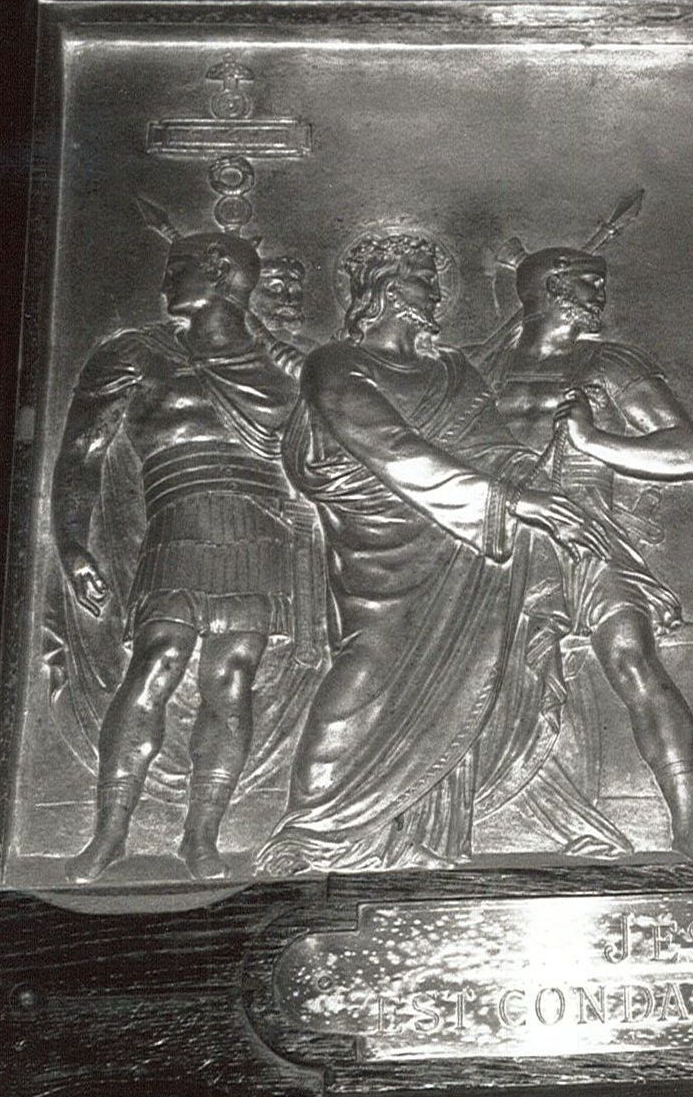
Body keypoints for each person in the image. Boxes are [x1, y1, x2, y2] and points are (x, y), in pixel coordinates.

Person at [253, 231, 627, 874]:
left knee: (472, 674)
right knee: (368, 665)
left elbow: (494, 448)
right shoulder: (335, 365)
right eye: (424, 280)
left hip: (467, 548)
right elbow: (391, 447)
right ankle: (313, 831)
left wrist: (544, 492)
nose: (436, 294)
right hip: (381, 546)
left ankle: (413, 837)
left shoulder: (454, 370)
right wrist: (510, 500)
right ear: (387, 289)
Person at [52, 231, 300, 882]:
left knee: (232, 675)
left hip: (259, 529)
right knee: (157, 658)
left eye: (177, 269)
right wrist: (71, 542)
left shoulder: (284, 368)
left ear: (220, 274)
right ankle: (109, 834)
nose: (164, 284)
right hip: (178, 522)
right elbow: (82, 455)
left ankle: (201, 837)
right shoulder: (136, 354)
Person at [469, 246, 693, 858]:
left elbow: (686, 454)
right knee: (476, 676)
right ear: (550, 288)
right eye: (588, 283)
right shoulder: (479, 369)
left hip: (587, 529)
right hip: (500, 537)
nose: (600, 296)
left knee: (633, 659)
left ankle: (689, 829)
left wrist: (592, 439)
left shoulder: (606, 363)